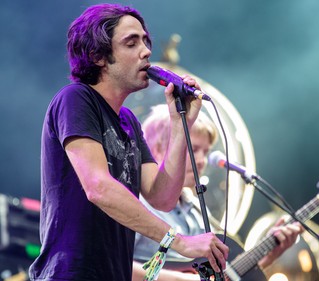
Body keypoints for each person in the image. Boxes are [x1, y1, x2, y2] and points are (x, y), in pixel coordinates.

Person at [28, 4, 228, 281]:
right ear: (97, 55)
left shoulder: (129, 122)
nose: (146, 51)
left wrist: (181, 124)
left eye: (146, 41)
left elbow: (163, 197)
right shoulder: (75, 99)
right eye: (131, 43)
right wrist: (178, 240)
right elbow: (98, 187)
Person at [132, 104, 303, 281]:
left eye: (205, 152)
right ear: (159, 149)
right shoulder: (136, 203)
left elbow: (217, 277)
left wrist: (267, 257)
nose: (201, 160)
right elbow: (114, 264)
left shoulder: (196, 210)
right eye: (193, 148)